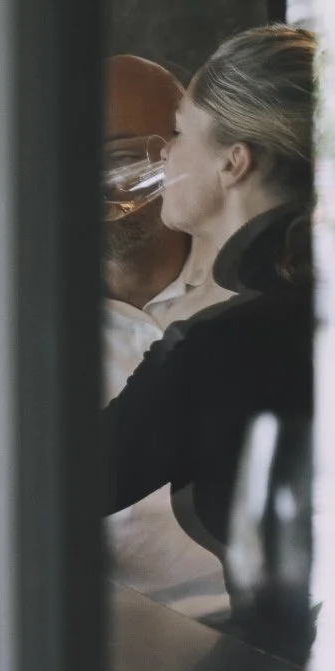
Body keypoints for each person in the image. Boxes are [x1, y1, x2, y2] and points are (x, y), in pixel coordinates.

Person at [105, 25, 316, 556]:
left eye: (176, 134)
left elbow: (59, 483)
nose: (162, 159)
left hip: (270, 639)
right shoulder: (334, 301)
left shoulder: (225, 343)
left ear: (232, 162)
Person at [100, 55, 233, 616]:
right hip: (95, 633)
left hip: (250, 631)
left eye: (123, 157)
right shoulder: (20, 319)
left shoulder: (245, 292)